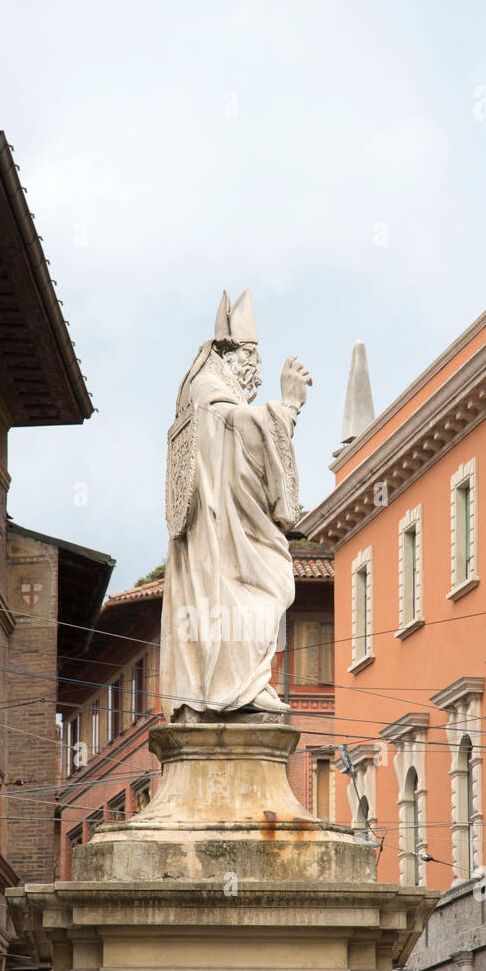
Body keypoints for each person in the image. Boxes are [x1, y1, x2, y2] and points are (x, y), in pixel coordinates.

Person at [160, 289, 312, 721]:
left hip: (220, 529)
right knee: (271, 586)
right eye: (254, 366)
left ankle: (236, 686)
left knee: (263, 591)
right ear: (236, 356)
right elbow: (242, 427)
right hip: (219, 537)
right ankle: (235, 686)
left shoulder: (201, 389)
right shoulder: (210, 390)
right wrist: (287, 407)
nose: (256, 379)